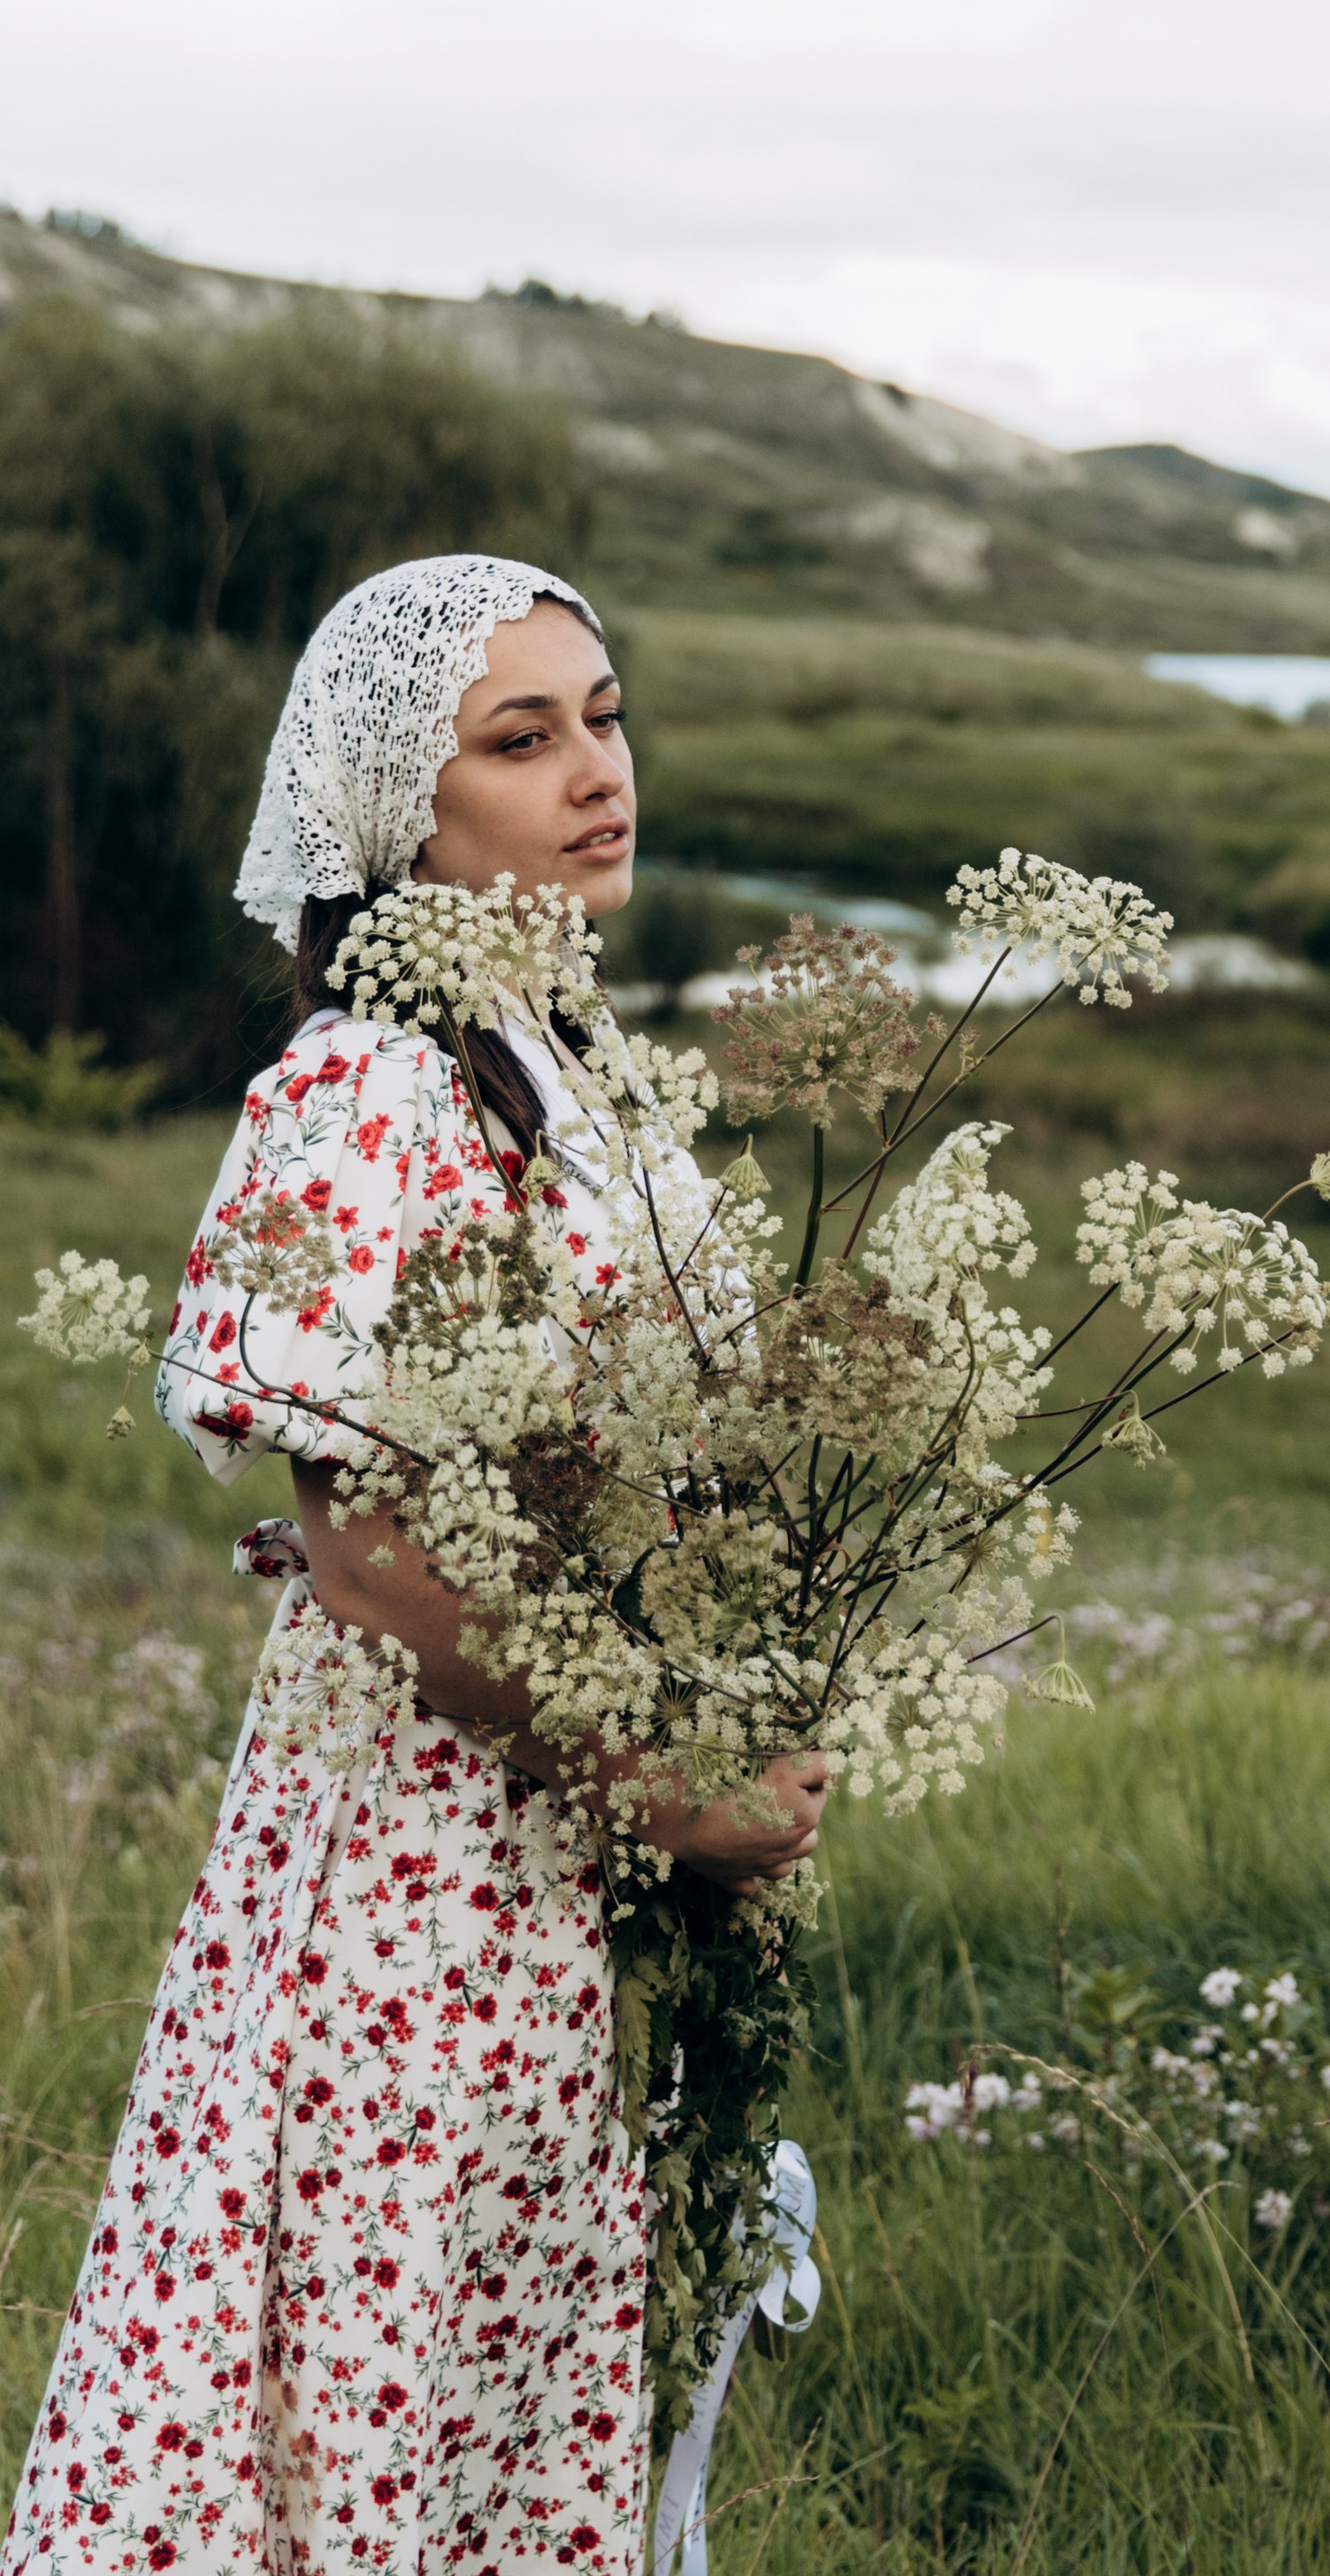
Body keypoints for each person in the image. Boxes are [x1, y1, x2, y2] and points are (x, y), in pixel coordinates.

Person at [3, 556, 827, 2576]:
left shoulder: (584, 1082)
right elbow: (374, 1562)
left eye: (605, 717)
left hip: (564, 1879)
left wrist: (757, 1674)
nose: (593, 772)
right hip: (414, 1877)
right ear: (402, 810)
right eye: (519, 738)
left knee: (499, 2407)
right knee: (370, 2405)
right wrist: (672, 1791)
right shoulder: (364, 1089)